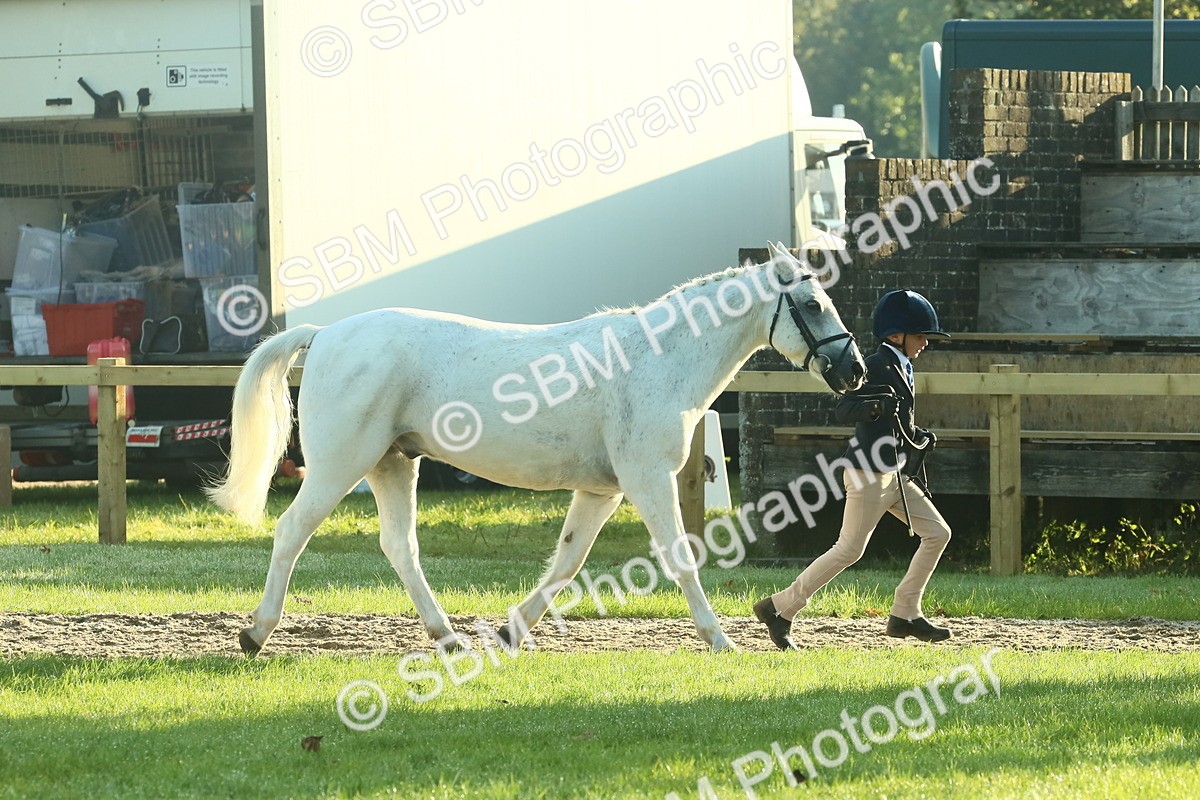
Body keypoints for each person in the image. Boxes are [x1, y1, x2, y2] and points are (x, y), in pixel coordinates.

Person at [754, 289, 954, 650]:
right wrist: (875, 407)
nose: (925, 342)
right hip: (867, 474)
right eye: (920, 335)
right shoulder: (876, 365)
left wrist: (916, 435)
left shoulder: (903, 366)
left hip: (893, 474)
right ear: (897, 335)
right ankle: (779, 608)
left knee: (938, 533)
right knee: (848, 550)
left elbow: (899, 420)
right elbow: (844, 409)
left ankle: (905, 611)